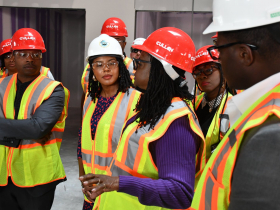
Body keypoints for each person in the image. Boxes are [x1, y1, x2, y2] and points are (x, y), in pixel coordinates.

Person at [79, 27, 206, 210]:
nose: (134, 70)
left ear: (161, 70)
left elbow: (180, 192)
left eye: (139, 64)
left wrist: (117, 183)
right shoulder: (155, 107)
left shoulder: (176, 122)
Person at [191, 0, 280, 209]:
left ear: (244, 54)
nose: (219, 59)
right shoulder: (258, 109)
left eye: (218, 50)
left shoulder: (271, 133)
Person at [0, 28, 70, 210]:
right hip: (3, 176)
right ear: (13, 57)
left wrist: (31, 129)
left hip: (38, 178)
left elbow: (37, 128)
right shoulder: (1, 85)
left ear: (41, 57)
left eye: (35, 54)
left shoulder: (54, 89)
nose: (30, 58)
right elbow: (32, 129)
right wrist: (26, 130)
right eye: (23, 54)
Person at [77, 34, 141, 210]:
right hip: (92, 188)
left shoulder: (136, 100)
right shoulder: (90, 98)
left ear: (120, 67)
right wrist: (84, 179)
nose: (106, 69)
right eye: (99, 65)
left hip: (120, 190)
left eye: (111, 63)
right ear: (92, 70)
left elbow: (137, 151)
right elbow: (82, 140)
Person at [192, 45, 232, 161]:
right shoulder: (193, 103)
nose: (202, 76)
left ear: (223, 70)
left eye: (208, 70)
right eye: (197, 72)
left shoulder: (233, 108)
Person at [81, 17, 133, 94]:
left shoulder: (133, 67)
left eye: (117, 40)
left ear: (124, 44)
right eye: (109, 40)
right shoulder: (91, 66)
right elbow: (87, 92)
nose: (112, 44)